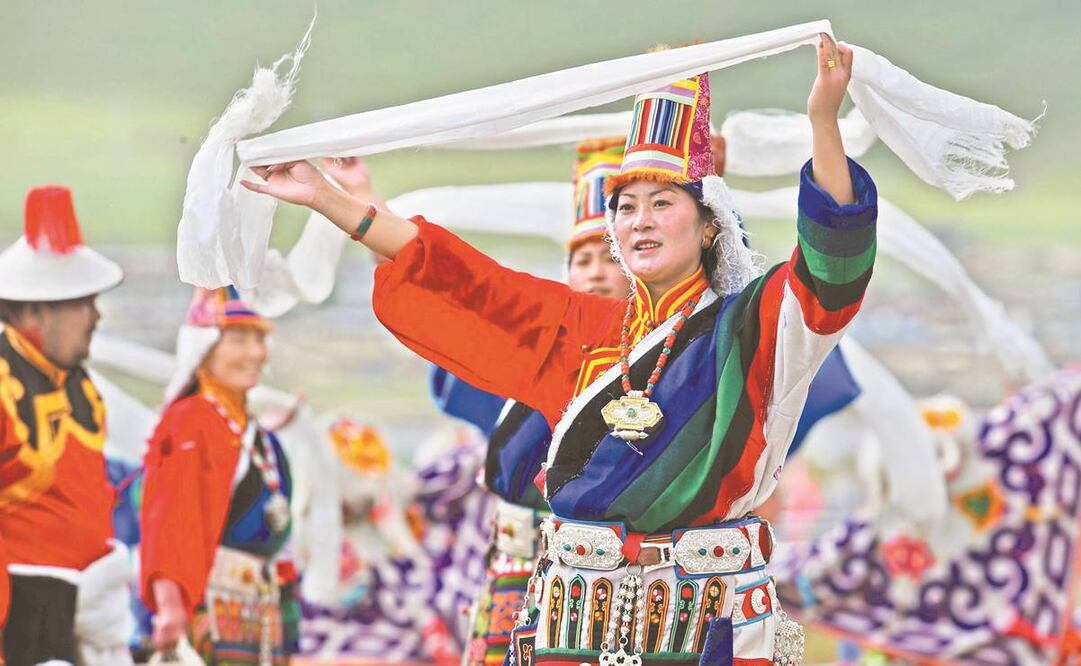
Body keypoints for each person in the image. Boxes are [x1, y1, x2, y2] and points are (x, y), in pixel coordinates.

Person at [244, 35, 872, 664]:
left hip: (700, 622)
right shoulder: (586, 330)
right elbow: (471, 285)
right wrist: (328, 199)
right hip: (572, 624)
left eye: (662, 203)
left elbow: (829, 272)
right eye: (625, 207)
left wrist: (822, 122)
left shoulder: (754, 329)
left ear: (709, 222)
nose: (640, 221)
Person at [427, 137, 631, 666]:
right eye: (581, 259)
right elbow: (446, 307)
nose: (594, 272)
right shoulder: (534, 349)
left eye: (611, 257)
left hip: (602, 586)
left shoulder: (653, 366)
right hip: (512, 577)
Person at [0, 185, 134, 666]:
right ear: (35, 312)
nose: (96, 316)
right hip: (16, 621)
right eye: (83, 303)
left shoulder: (80, 385)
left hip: (82, 613)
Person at [140, 286, 298, 664]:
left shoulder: (259, 436)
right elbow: (168, 520)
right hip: (205, 612)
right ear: (204, 347)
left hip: (260, 617)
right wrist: (170, 605)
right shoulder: (189, 423)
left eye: (260, 338)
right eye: (239, 339)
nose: (256, 352)